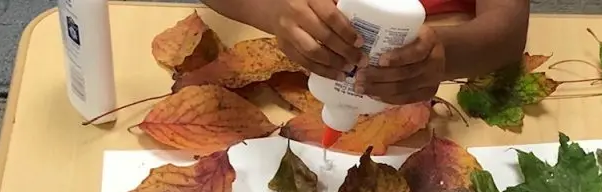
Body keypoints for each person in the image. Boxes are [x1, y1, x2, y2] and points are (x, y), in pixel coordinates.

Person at [202, 0, 530, 104]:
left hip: (445, 89)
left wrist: (443, 56)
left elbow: (508, 30)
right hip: (291, 74)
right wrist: (271, 12)